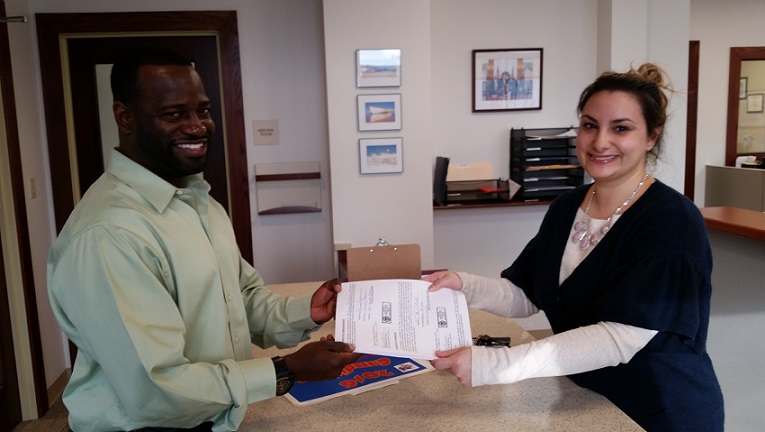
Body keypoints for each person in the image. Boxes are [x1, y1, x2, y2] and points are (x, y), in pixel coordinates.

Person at [47, 45, 361, 432]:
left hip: (215, 417)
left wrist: (306, 312)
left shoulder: (199, 202)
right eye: (174, 114)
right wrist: (286, 369)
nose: (197, 126)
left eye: (203, 110)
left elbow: (240, 299)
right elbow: (154, 390)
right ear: (125, 117)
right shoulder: (109, 235)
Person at [425, 63, 724, 431]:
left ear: (651, 137)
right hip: (586, 398)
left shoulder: (671, 221)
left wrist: (495, 366)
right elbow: (526, 294)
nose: (600, 142)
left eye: (621, 128)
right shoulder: (568, 206)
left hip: (659, 409)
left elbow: (620, 337)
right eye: (589, 125)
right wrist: (463, 285)